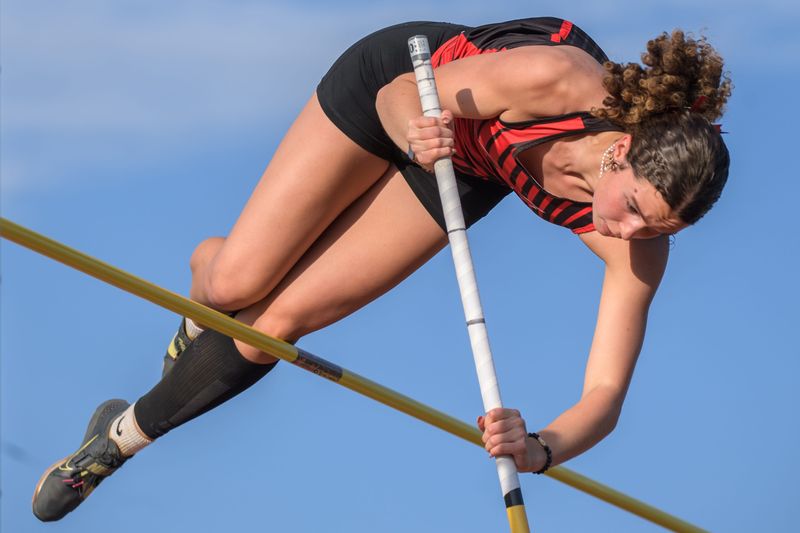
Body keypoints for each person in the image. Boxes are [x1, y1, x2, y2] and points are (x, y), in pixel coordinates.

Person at [32, 17, 731, 521]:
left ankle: (113, 444)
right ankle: (207, 275)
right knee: (232, 286)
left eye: (659, 228)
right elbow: (403, 92)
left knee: (278, 320)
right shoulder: (556, 80)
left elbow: (605, 394)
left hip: (462, 167)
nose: (630, 233)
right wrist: (409, 128)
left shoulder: (640, 248)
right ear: (620, 153)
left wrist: (543, 447)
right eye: (635, 208)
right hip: (402, 95)